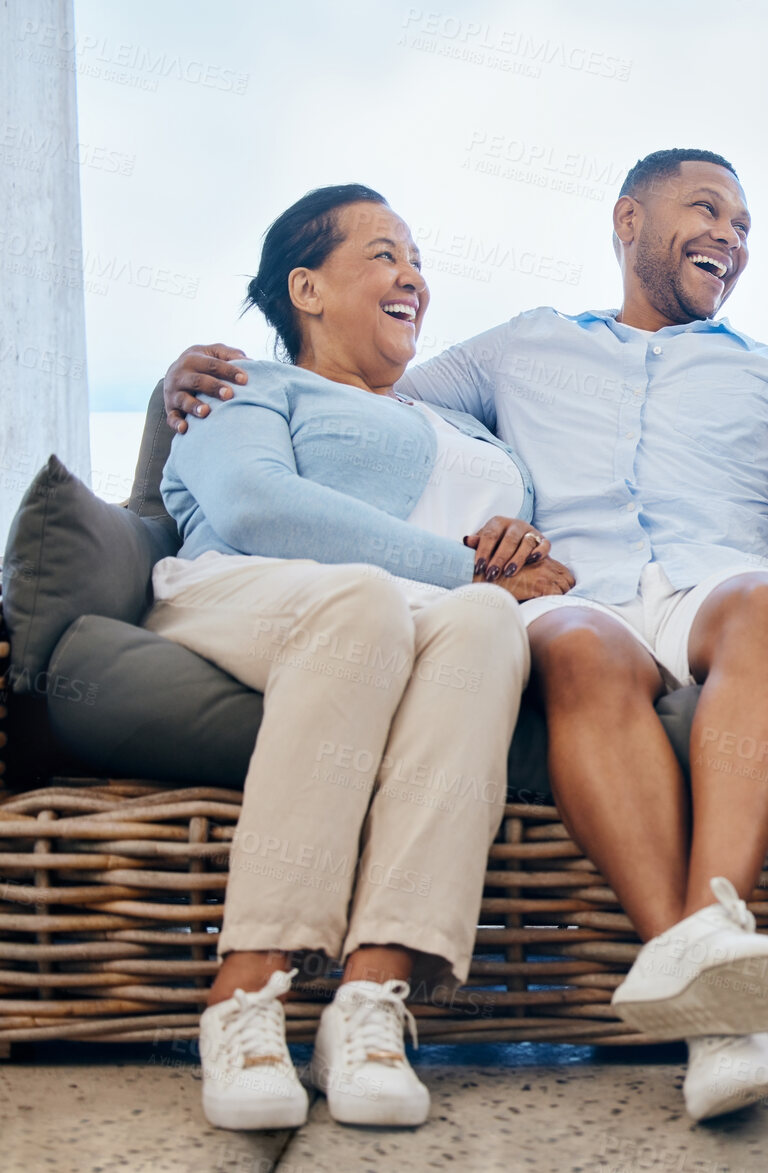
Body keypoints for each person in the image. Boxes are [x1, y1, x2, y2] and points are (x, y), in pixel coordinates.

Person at [161, 150, 768, 1122]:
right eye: (705, 210)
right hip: (550, 599)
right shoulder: (504, 352)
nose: (729, 238)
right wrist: (178, 381)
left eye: (744, 226)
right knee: (534, 631)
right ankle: (251, 993)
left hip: (705, 579)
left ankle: (697, 941)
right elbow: (299, 433)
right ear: (626, 219)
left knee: (538, 619)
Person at [148, 185, 571, 1130]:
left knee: (484, 628)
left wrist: (513, 547)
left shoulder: (462, 424)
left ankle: (373, 1000)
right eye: (383, 255)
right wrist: (466, 567)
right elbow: (258, 506)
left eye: (417, 259)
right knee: (371, 601)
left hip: (427, 613)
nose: (412, 276)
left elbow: (513, 569)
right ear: (306, 287)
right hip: (250, 592)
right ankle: (246, 994)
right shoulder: (246, 384)